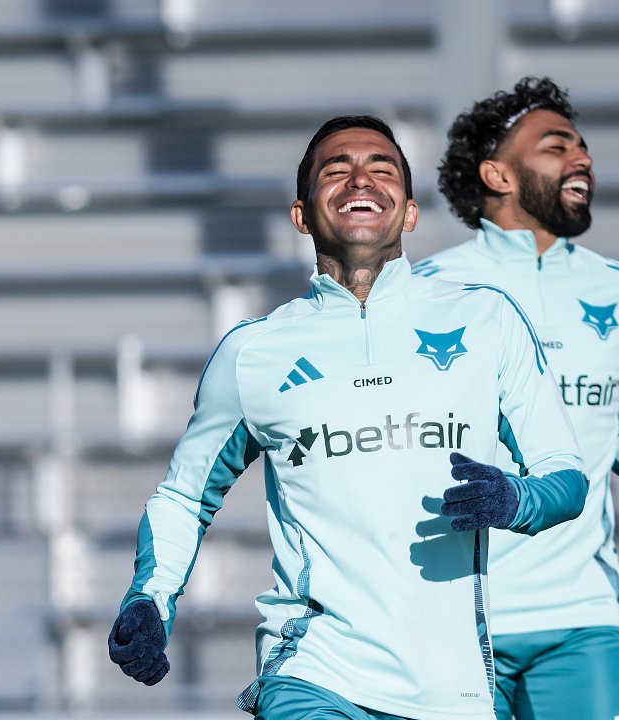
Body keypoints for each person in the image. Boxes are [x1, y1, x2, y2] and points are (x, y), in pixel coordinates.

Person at [106, 115, 590, 720]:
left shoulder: (489, 321)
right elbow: (184, 496)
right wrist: (150, 599)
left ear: (410, 212)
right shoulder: (252, 352)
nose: (360, 179)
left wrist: (517, 500)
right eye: (336, 171)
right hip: (313, 675)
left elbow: (567, 477)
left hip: (453, 691)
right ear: (302, 215)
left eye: (381, 168)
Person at [413, 77, 619, 720]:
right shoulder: (425, 294)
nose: (583, 159)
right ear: (498, 174)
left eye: (584, 146)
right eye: (556, 145)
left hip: (582, 618)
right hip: (452, 619)